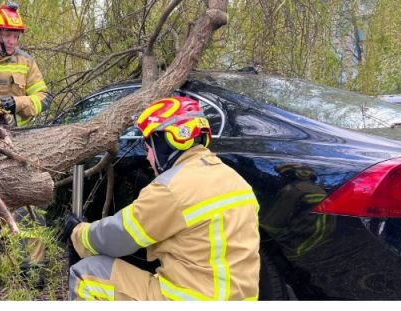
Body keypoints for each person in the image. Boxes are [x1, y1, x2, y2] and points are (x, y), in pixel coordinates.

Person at [63, 96, 260, 300]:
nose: (149, 157)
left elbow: (121, 235)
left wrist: (78, 233)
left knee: (85, 274)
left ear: (167, 142)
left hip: (191, 309)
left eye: (149, 148)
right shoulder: (237, 182)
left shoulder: (172, 187)